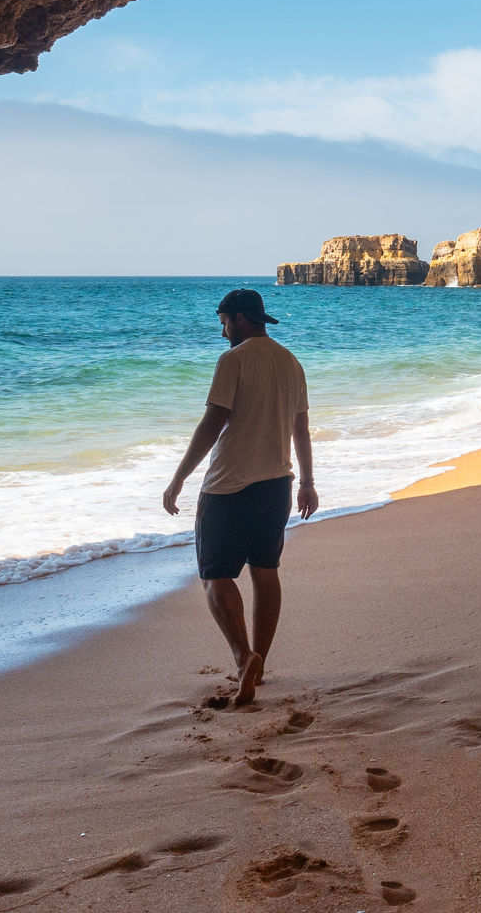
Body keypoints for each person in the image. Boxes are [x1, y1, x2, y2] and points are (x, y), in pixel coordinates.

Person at [163, 288, 317, 705]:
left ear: (242, 319)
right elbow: (300, 428)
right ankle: (260, 663)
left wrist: (178, 479)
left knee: (216, 577)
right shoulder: (291, 362)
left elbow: (213, 423)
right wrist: (306, 481)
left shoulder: (233, 360)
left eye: (224, 322)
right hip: (277, 485)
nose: (222, 331)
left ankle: (242, 657)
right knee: (265, 572)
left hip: (230, 487)